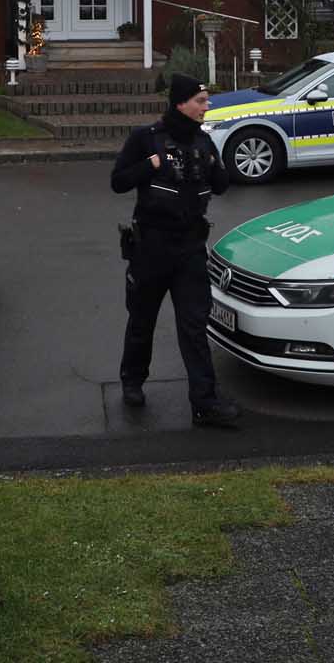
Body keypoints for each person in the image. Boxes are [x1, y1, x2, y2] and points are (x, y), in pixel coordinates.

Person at [111, 74, 239, 427]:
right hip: (151, 247)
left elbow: (223, 187)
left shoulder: (204, 141)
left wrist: (213, 164)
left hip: (190, 249)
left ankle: (205, 402)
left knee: (194, 325)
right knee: (142, 320)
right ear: (181, 102)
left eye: (206, 100)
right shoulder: (145, 138)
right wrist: (148, 165)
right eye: (200, 100)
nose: (206, 106)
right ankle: (132, 382)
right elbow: (117, 182)